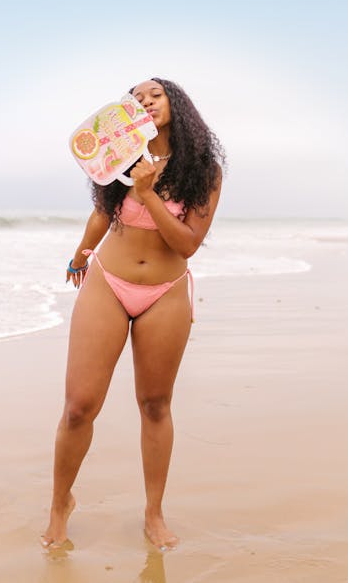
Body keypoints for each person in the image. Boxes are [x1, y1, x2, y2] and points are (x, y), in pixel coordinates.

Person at [41, 77, 225, 552]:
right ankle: (60, 505)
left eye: (154, 95)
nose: (145, 102)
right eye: (136, 98)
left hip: (165, 292)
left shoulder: (203, 170)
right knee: (80, 405)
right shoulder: (117, 159)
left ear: (176, 105)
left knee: (155, 404)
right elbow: (104, 214)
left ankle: (153, 513)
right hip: (109, 282)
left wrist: (147, 194)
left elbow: (187, 244)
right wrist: (80, 255)